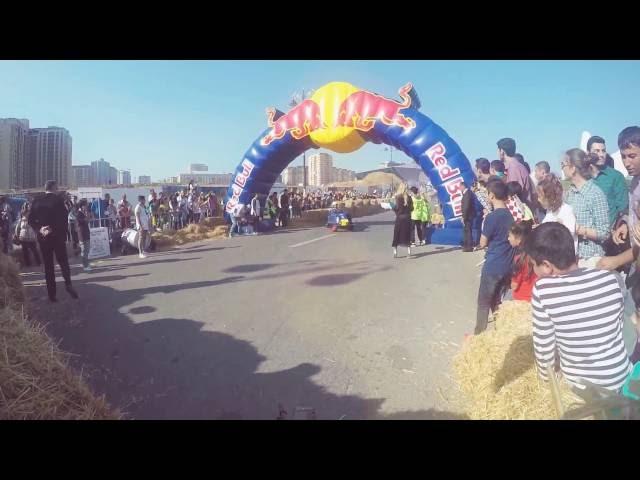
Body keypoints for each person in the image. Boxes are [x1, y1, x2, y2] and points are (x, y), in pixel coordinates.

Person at [524, 222, 633, 391]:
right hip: (622, 377)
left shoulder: (543, 290)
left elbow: (544, 350)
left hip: (587, 390)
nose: (533, 269)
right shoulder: (609, 279)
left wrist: (546, 381)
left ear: (546, 266)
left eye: (533, 264)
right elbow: (616, 327)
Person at [474, 179, 514, 335]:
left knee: (484, 302)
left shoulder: (492, 217)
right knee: (497, 301)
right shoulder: (510, 216)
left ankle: (479, 335)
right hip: (507, 265)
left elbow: (482, 242)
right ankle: (500, 330)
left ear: (491, 195)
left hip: (493, 265)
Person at [28, 181, 79, 302]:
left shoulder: (36, 200)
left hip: (43, 237)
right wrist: (54, 228)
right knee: (63, 262)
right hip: (57, 237)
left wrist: (39, 228)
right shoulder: (58, 201)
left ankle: (52, 295)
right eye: (57, 188)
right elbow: (62, 219)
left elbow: (30, 219)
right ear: (54, 188)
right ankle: (68, 283)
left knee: (48, 266)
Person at [562, 148, 609, 267]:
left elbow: (604, 232)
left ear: (573, 168)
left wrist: (579, 230)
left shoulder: (595, 193)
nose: (562, 168)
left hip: (591, 258)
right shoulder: (570, 193)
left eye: (563, 164)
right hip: (574, 257)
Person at [588, 135, 629, 228]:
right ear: (588, 153)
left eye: (603, 150)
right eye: (597, 151)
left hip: (609, 234)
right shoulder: (583, 177)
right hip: (586, 235)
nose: (601, 155)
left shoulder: (616, 177)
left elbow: (623, 209)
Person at [537, 174, 578, 254]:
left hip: (564, 257)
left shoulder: (567, 210)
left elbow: (568, 236)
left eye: (539, 196)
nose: (538, 199)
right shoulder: (550, 211)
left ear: (549, 196)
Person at [497, 137, 533, 205]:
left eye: (498, 150)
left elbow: (514, 197)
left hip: (519, 213)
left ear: (502, 151)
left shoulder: (514, 168)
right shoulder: (516, 166)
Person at [507, 222, 536, 302]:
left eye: (510, 236)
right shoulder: (535, 253)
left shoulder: (519, 259)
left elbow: (514, 286)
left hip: (521, 299)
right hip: (534, 297)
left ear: (519, 239)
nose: (508, 238)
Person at [14, 202, 41, 268]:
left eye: (30, 206)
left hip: (32, 236)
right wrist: (17, 235)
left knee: (34, 250)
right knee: (25, 251)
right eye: (28, 206)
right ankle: (28, 263)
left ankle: (39, 262)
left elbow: (37, 224)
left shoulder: (34, 214)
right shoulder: (21, 214)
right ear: (25, 207)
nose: (29, 207)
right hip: (23, 236)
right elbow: (18, 226)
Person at [392, 187, 413, 258]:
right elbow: (412, 208)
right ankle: (409, 253)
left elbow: (395, 208)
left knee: (396, 235)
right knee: (407, 235)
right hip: (407, 218)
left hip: (399, 219)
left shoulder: (397, 197)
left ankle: (395, 252)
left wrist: (393, 208)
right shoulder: (409, 197)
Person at [76, 199, 92, 272]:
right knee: (84, 251)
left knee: (87, 250)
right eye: (86, 205)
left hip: (86, 233)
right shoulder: (79, 214)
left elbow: (87, 221)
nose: (87, 206)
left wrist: (87, 215)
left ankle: (86, 264)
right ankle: (85, 266)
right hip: (82, 235)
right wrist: (87, 215)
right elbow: (84, 221)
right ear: (82, 206)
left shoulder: (83, 213)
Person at [461, 182, 476, 252]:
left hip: (468, 215)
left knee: (468, 230)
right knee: (466, 230)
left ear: (463, 186)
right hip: (468, 215)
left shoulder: (467, 194)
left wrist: (464, 216)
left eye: (460, 186)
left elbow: (466, 206)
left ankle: (469, 246)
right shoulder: (467, 193)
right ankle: (466, 245)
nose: (459, 188)